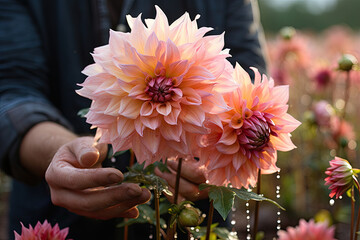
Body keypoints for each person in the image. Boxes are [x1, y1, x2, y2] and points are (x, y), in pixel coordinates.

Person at [0, 0, 268, 239]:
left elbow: (244, 79)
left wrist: (205, 156)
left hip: (191, 223)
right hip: (59, 219)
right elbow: (11, 92)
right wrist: (59, 151)